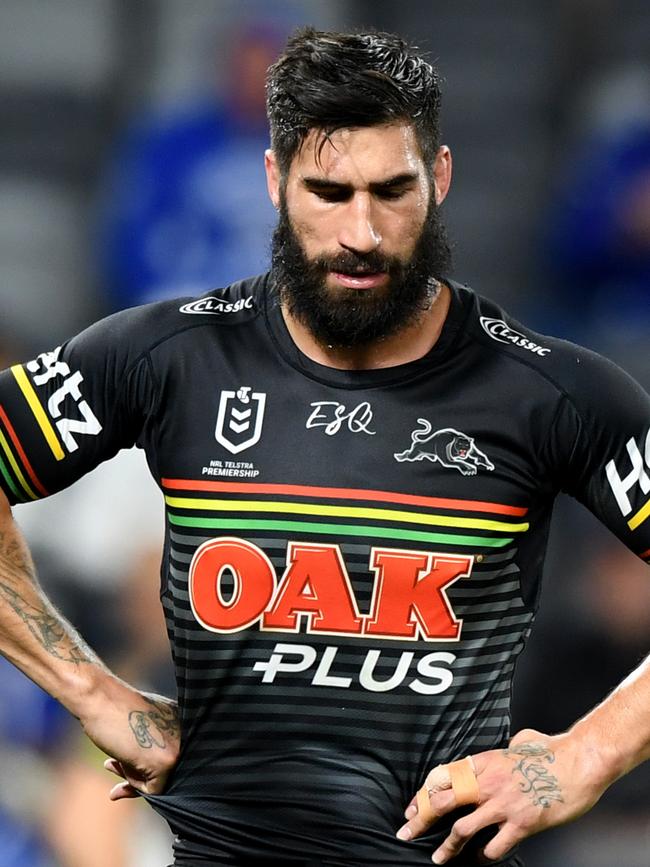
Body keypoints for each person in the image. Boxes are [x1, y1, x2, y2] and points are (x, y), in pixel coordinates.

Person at [0, 27, 649, 867]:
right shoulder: (166, 358)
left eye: (392, 189)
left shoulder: (551, 390)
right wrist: (88, 690)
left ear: (440, 177)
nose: (363, 231)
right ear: (274, 182)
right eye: (328, 191)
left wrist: (586, 753)